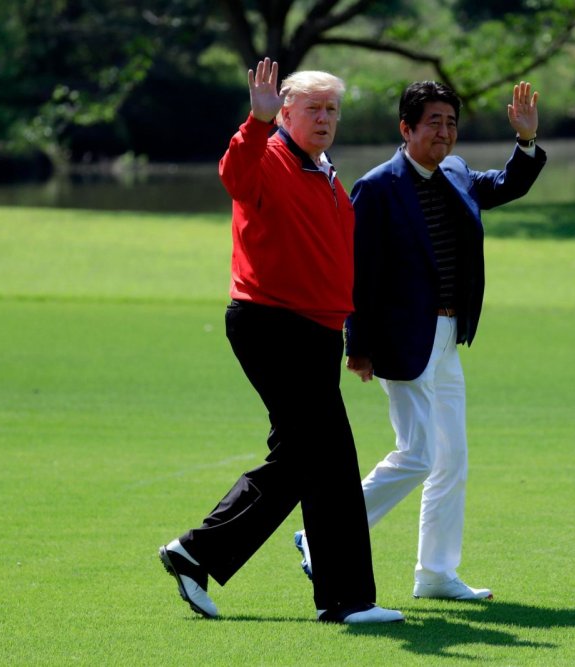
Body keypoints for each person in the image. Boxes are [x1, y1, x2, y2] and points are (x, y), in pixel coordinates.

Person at [158, 58, 403, 624]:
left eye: (332, 109)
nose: (324, 118)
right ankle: (346, 600)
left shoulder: (325, 171)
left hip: (317, 331)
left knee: (301, 460)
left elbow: (337, 261)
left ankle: (197, 552)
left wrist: (355, 335)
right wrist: (256, 121)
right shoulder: (267, 155)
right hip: (273, 325)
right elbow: (234, 173)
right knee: (332, 460)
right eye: (312, 108)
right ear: (286, 112)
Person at [294, 80, 546, 601]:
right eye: (434, 122)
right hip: (401, 340)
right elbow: (358, 274)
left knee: (452, 460)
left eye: (451, 123)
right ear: (406, 128)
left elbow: (506, 185)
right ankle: (321, 535)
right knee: (418, 454)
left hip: (449, 337)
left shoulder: (456, 173)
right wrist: (357, 344)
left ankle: (435, 573)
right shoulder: (377, 186)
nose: (445, 133)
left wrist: (525, 141)